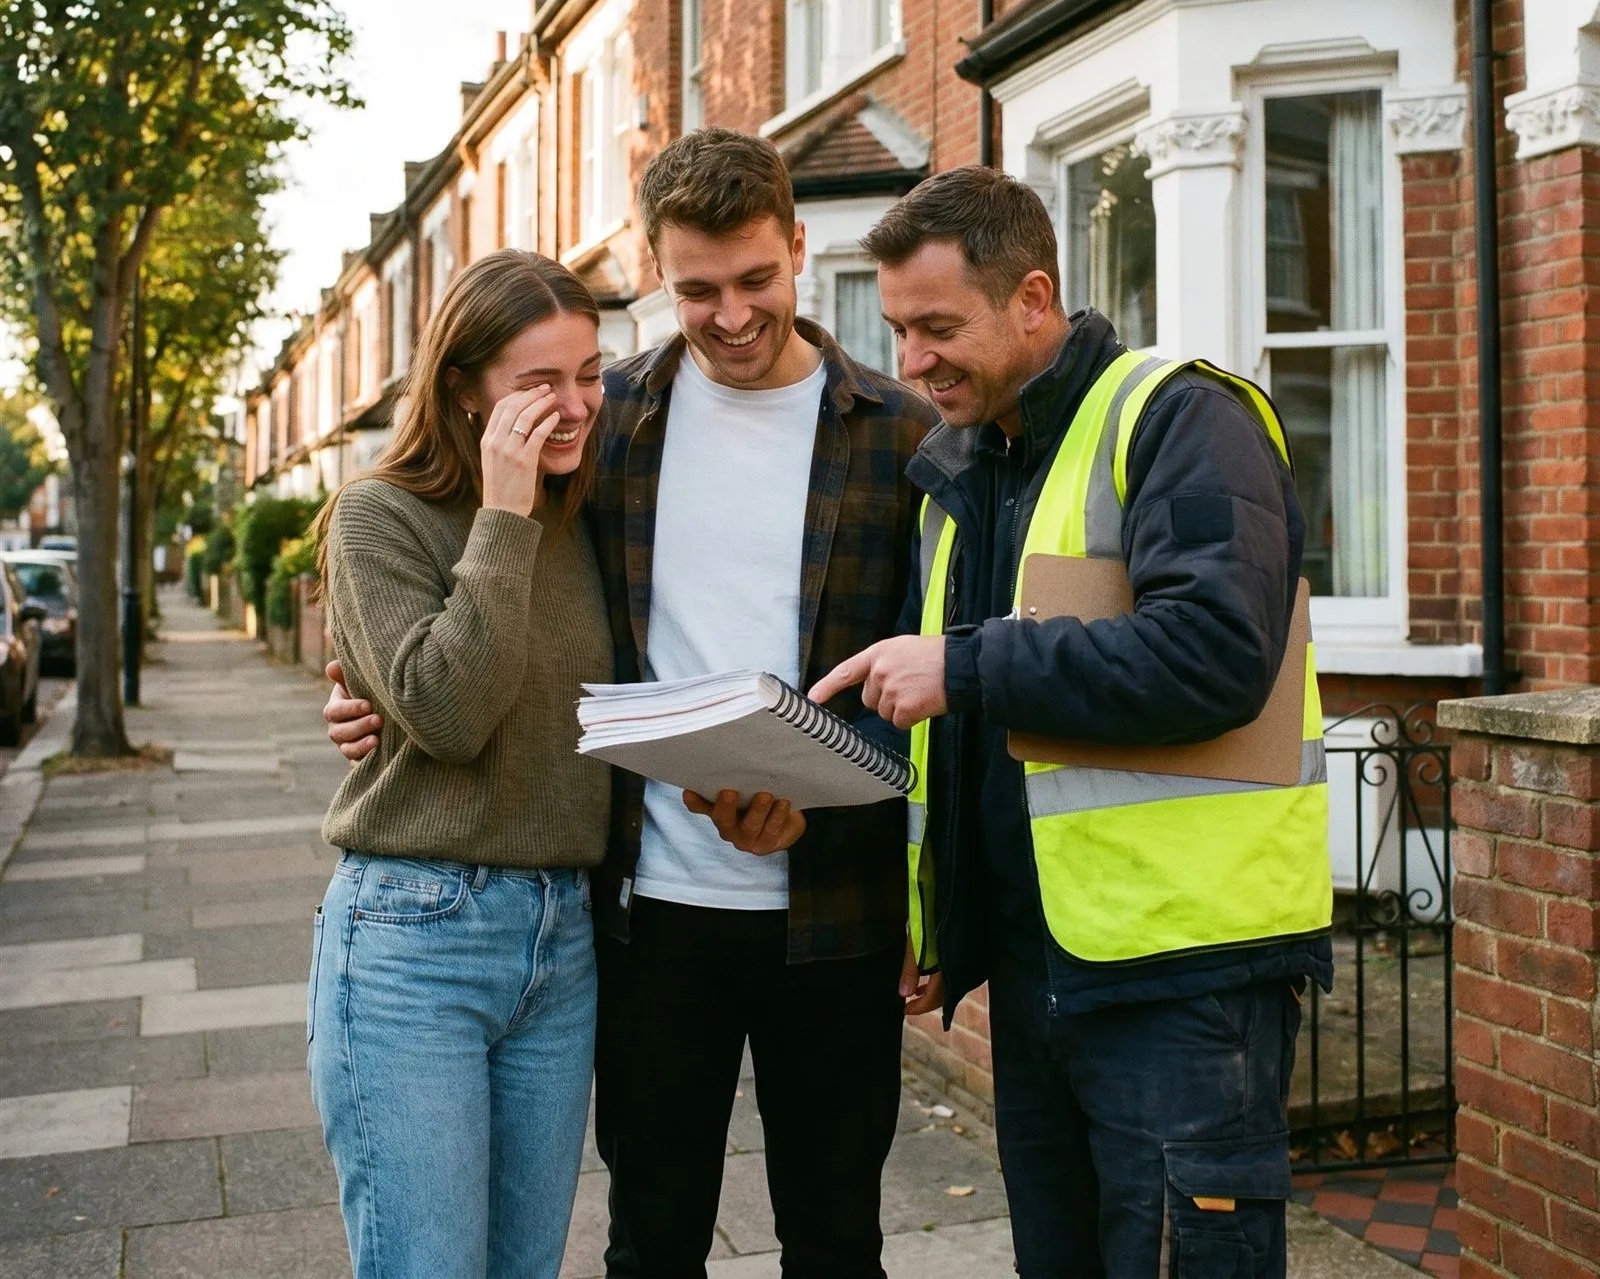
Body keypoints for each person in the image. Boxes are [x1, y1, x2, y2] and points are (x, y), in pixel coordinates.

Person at [326, 128, 936, 1279]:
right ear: (655, 274)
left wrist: (827, 794)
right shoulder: (603, 424)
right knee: (650, 1241)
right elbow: (502, 608)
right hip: (645, 914)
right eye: (696, 289)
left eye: (758, 278)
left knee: (837, 1240)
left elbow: (929, 668)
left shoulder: (903, 436)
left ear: (800, 246)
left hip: (838, 910)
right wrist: (365, 689)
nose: (734, 314)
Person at [811, 166, 1335, 1279]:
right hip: (1041, 975)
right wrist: (935, 907)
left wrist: (965, 660)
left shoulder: (1184, 416)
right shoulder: (969, 468)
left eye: (938, 326)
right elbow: (962, 742)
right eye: (898, 329)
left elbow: (1216, 654)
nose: (910, 361)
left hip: (1183, 981)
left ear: (1034, 298)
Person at [308, 249, 614, 1279]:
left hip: (562, 940)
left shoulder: (588, 515)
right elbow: (448, 709)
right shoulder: (377, 513)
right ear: (461, 388)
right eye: (538, 384)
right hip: (415, 937)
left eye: (590, 373)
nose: (572, 406)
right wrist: (503, 510)